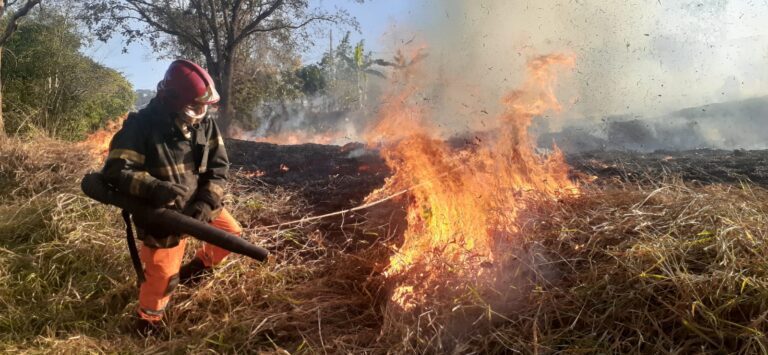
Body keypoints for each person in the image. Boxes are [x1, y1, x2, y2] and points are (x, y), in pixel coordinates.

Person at [101, 59, 242, 335]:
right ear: (171, 99)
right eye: (194, 106)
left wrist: (206, 202)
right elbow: (117, 171)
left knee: (231, 237)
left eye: (204, 107)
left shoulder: (205, 125)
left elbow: (219, 168)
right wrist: (155, 188)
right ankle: (147, 324)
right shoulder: (141, 127)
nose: (200, 112)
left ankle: (197, 268)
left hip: (198, 204)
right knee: (162, 278)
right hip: (161, 215)